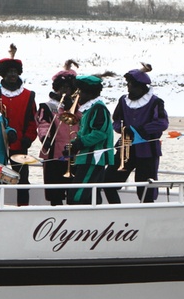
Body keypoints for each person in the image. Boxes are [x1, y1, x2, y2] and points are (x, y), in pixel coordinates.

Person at [106, 64, 169, 203]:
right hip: (125, 148)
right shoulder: (123, 100)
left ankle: (147, 214)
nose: (128, 88)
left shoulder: (155, 102)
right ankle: (117, 210)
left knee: (146, 187)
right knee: (107, 181)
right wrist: (121, 129)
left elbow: (162, 123)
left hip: (148, 151)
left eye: (130, 85)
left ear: (140, 86)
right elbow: (116, 120)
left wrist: (140, 130)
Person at [0, 44, 38, 205]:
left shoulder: (28, 95)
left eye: (15, 72)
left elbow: (32, 120)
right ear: (3, 74)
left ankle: (23, 208)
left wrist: (28, 138)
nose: (12, 75)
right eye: (9, 72)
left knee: (23, 181)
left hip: (20, 144)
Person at [36, 60, 80, 206]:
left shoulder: (79, 107)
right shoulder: (48, 106)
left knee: (74, 191)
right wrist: (45, 138)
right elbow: (43, 124)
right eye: (62, 87)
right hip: (54, 153)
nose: (65, 90)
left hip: (75, 153)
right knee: (55, 191)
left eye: (68, 87)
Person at [67, 74, 115, 206]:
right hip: (87, 157)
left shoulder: (98, 108)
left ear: (89, 93)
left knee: (77, 195)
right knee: (92, 194)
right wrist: (73, 145)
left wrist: (79, 143)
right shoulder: (90, 109)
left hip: (94, 157)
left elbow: (100, 133)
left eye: (80, 92)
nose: (78, 95)